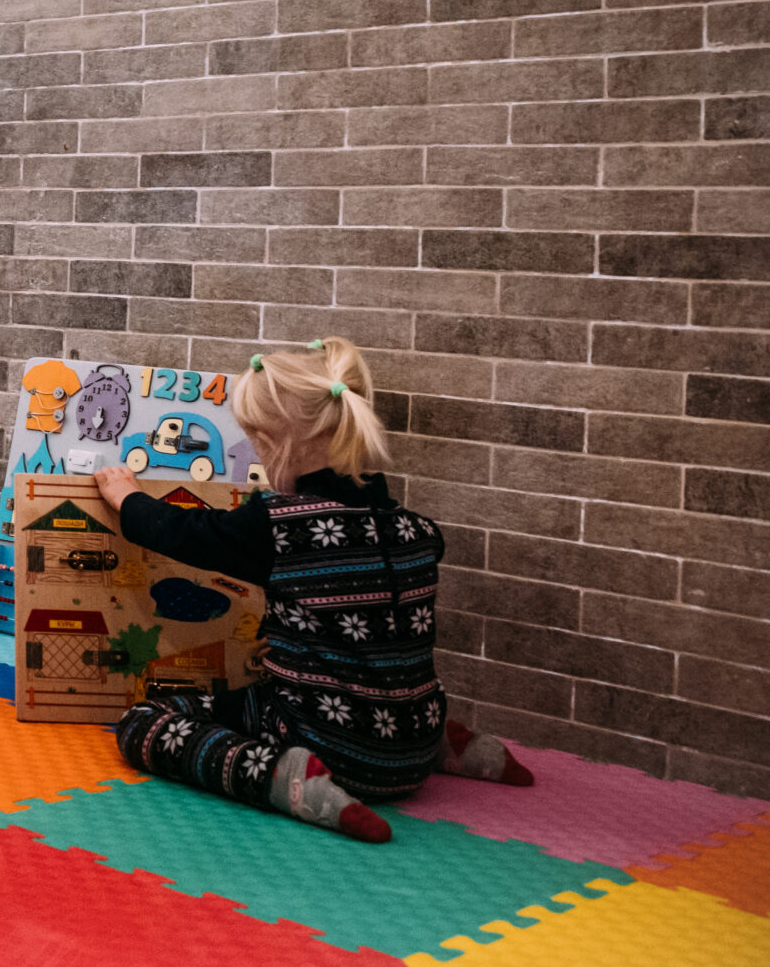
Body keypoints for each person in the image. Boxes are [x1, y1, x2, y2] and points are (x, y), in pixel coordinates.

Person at [93, 337, 535, 843]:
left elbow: (184, 534)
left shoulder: (280, 525)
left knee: (144, 720)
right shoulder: (418, 531)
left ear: (279, 445)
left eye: (258, 446)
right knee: (357, 702)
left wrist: (126, 495)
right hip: (412, 744)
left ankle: (279, 777)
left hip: (329, 748)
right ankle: (452, 747)